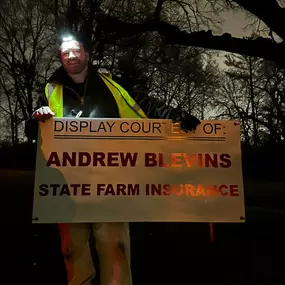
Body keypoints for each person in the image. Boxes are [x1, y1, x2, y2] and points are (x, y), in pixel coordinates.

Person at [26, 31, 200, 285]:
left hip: (112, 184)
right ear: (61, 59)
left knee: (115, 249)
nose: (71, 55)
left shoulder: (112, 84)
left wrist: (177, 116)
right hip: (66, 187)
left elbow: (145, 104)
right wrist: (36, 117)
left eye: (76, 50)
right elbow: (32, 131)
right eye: (65, 53)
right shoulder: (51, 90)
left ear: (86, 54)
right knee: (73, 251)